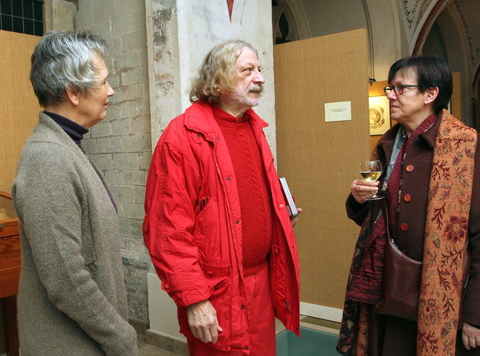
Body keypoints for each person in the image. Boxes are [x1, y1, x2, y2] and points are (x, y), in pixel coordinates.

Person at [143, 39, 301, 356]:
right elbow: (167, 230)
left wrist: (277, 215)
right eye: (248, 70)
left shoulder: (254, 129)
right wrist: (195, 299)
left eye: (260, 69)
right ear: (219, 77)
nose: (260, 78)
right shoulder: (183, 136)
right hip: (216, 291)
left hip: (260, 283)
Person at [337, 56, 480, 356]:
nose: (390, 94)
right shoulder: (387, 144)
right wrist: (359, 200)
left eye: (401, 88)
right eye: (391, 87)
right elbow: (373, 217)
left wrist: (474, 316)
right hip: (387, 291)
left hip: (442, 299)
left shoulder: (466, 147)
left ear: (430, 94)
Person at [12, 30, 138, 356]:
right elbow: (66, 280)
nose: (110, 91)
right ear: (73, 92)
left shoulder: (66, 146)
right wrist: (121, 337)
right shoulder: (48, 158)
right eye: (103, 82)